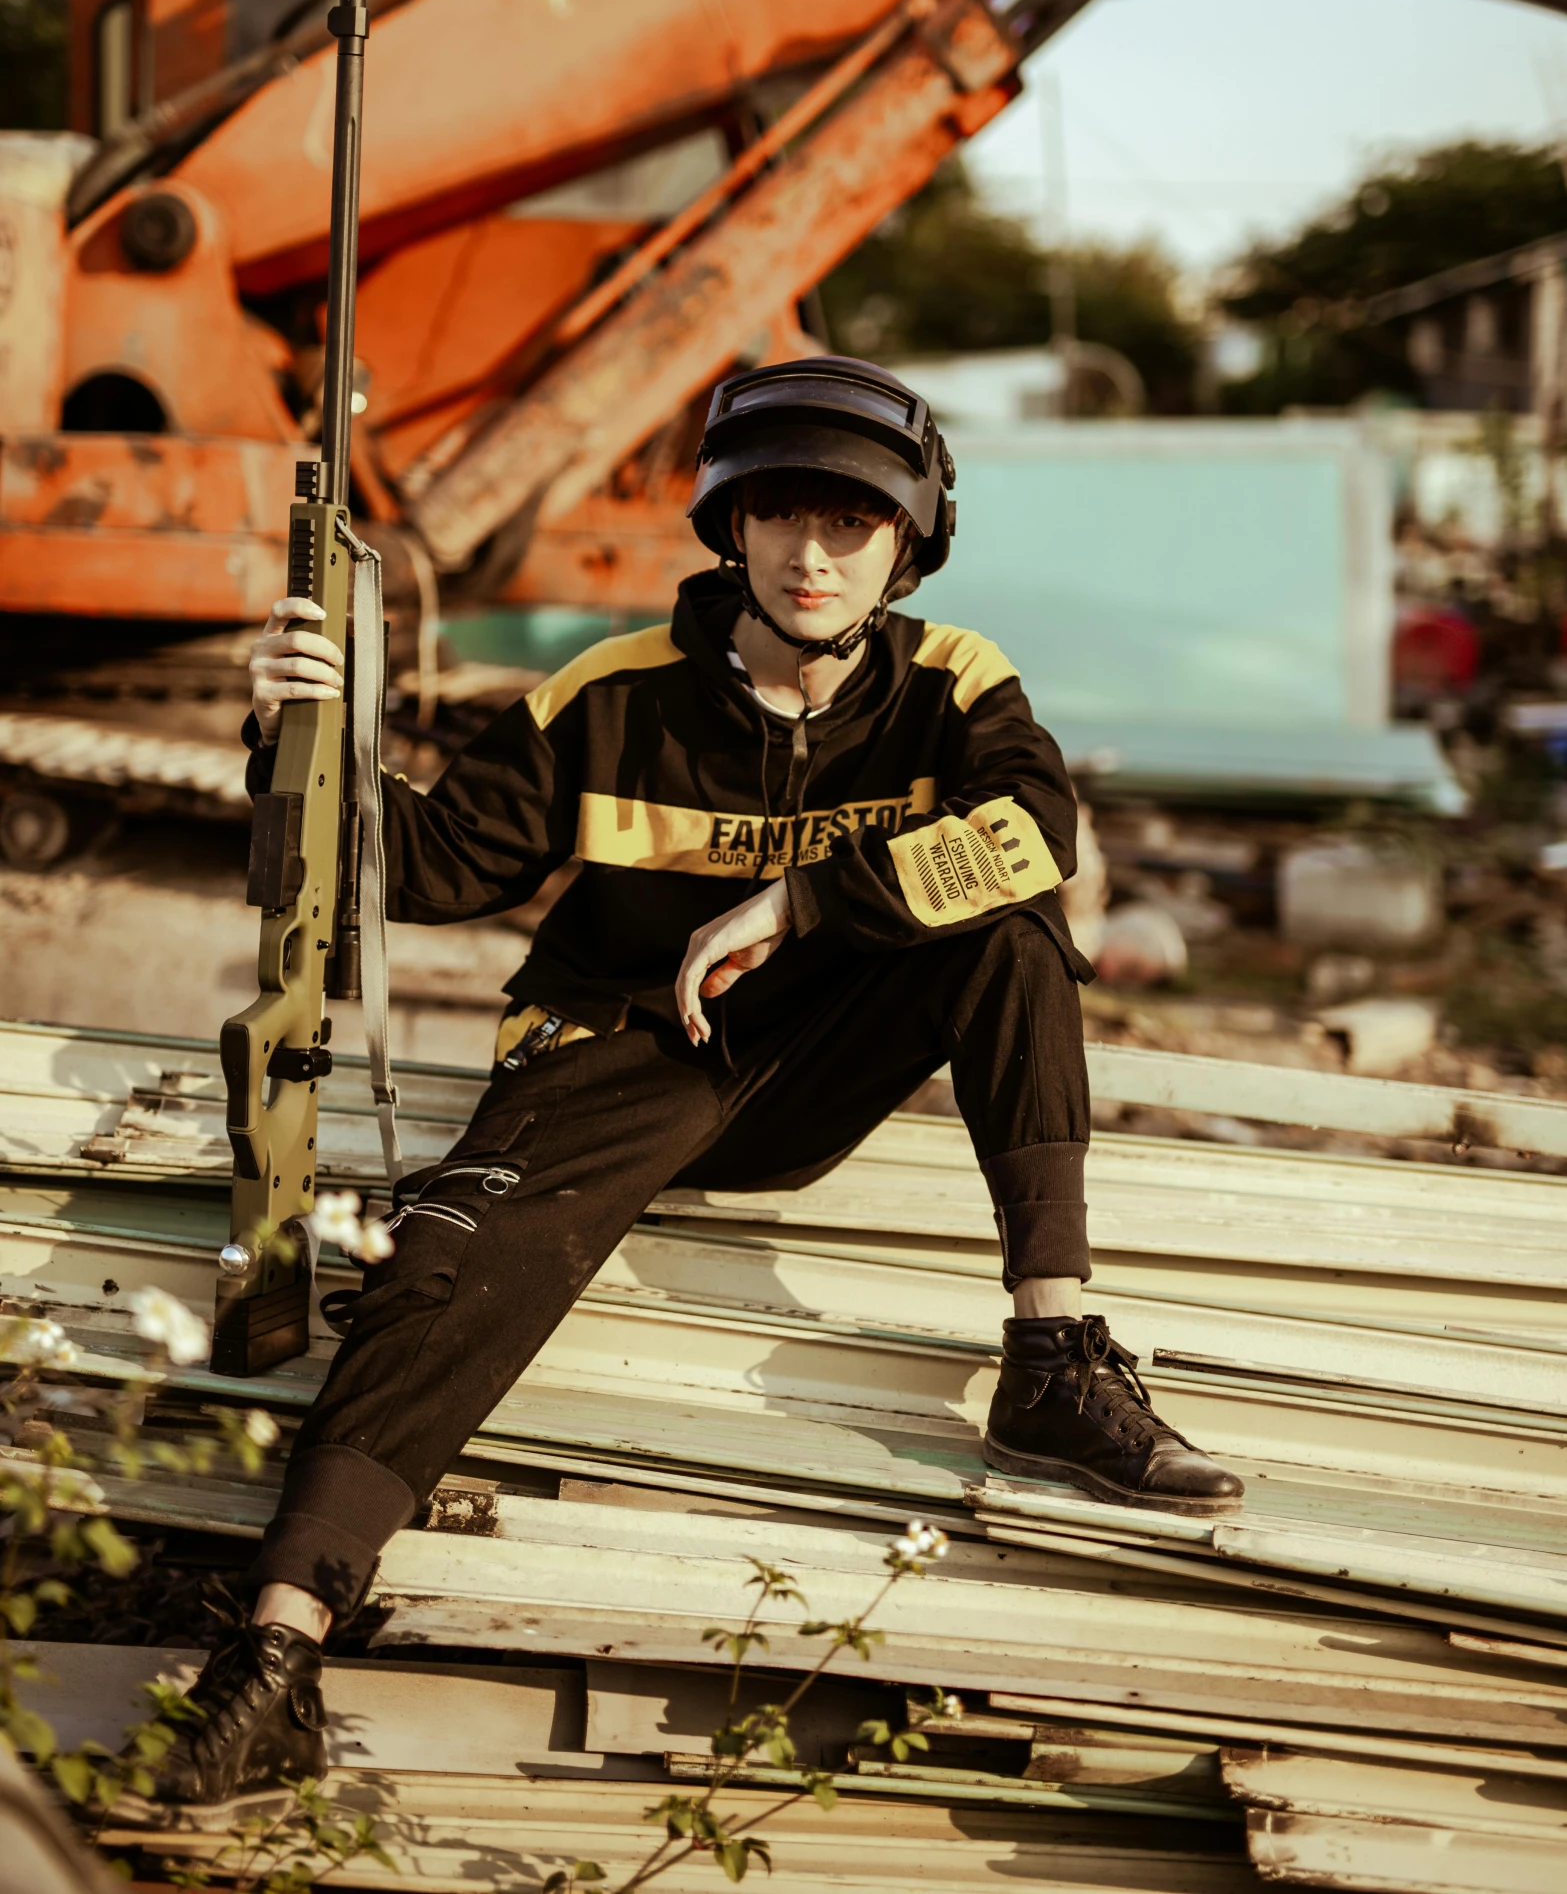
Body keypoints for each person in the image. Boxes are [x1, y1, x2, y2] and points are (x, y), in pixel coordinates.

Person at [156, 356, 1240, 1802]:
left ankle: (1051, 1355)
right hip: (618, 1061)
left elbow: (1034, 829)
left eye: (851, 522)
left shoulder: (955, 683)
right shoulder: (608, 696)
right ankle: (278, 1651)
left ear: (907, 541)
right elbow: (419, 866)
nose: (812, 553)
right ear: (725, 526)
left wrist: (803, 903)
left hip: (807, 1069)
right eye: (779, 512)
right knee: (443, 1267)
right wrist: (298, 727)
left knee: (1011, 931)